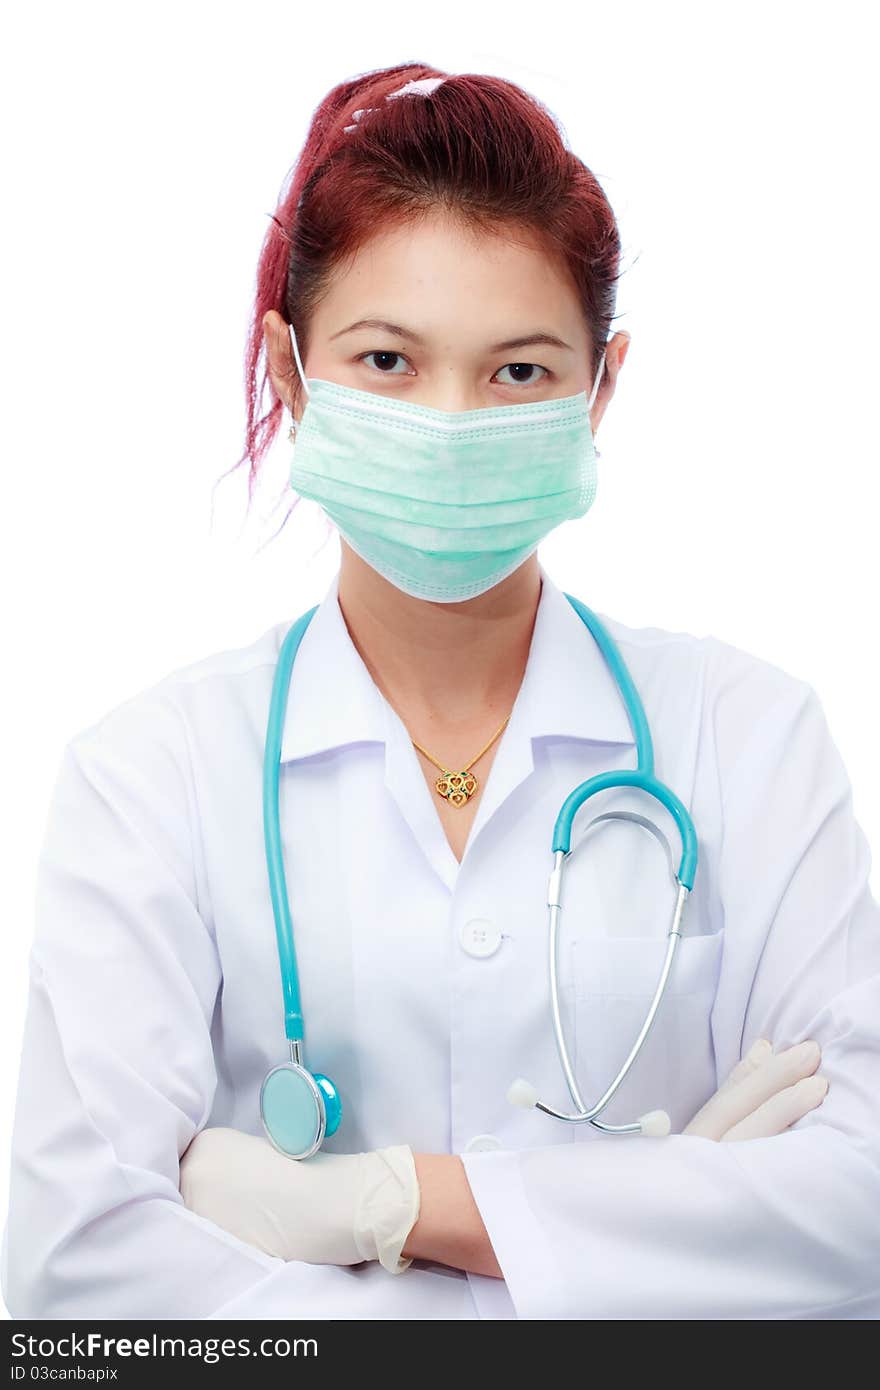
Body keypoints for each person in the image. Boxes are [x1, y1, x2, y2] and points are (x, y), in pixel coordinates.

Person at [2, 61, 879, 1323]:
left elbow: (858, 1208)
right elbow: (76, 1282)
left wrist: (390, 1209)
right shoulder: (152, 772)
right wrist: (666, 1230)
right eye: (388, 361)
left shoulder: (747, 736)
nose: (454, 420)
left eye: (518, 372)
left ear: (602, 385)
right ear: (292, 373)